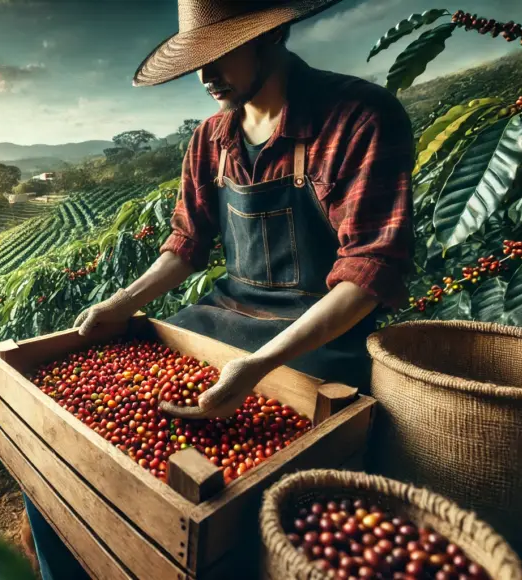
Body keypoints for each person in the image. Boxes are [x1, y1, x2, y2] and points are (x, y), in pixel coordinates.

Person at [21, 0, 415, 577]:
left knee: (233, 501)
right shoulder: (210, 139)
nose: (204, 76)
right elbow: (185, 244)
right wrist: (119, 304)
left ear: (273, 32)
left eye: (220, 54)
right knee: (65, 458)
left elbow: (370, 271)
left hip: (321, 331)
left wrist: (259, 364)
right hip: (224, 313)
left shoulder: (358, 117)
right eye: (196, 60)